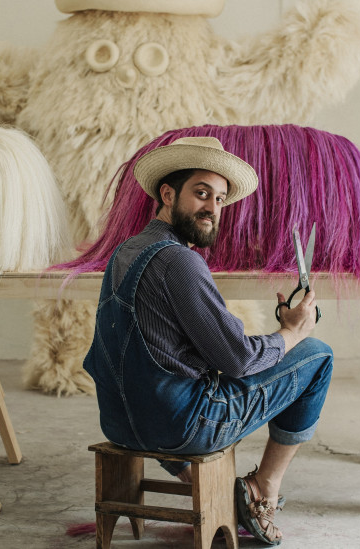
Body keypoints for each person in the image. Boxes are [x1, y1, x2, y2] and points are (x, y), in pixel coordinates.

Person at [83, 136, 333, 545]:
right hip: (182, 428)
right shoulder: (179, 261)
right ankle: (261, 490)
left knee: (166, 392)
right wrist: (292, 332)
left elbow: (167, 346)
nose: (212, 209)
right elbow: (236, 361)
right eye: (201, 193)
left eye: (219, 200)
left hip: (119, 422)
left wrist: (274, 336)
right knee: (317, 355)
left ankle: (212, 491)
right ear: (168, 193)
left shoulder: (124, 253)